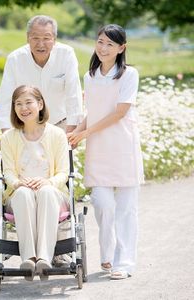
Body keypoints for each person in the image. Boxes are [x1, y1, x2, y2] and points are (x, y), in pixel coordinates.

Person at [67, 24, 144, 280]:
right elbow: (95, 112)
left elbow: (120, 112)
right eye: (100, 42)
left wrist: (86, 133)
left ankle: (124, 263)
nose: (103, 48)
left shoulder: (129, 75)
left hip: (123, 147)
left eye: (110, 44)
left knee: (125, 209)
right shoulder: (90, 76)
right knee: (102, 204)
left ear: (122, 48)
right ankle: (107, 255)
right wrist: (77, 132)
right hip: (98, 149)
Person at [0, 85, 70, 281]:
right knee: (23, 194)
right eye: (18, 104)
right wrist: (17, 184)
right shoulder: (8, 137)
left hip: (53, 192)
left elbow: (64, 172)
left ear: (40, 104)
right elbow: (8, 172)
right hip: (20, 193)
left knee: (46, 192)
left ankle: (44, 259)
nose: (24, 108)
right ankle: (29, 259)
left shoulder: (57, 134)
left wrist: (47, 181)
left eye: (28, 102)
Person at [0, 15, 83, 134]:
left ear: (55, 39)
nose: (41, 44)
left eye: (47, 38)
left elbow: (74, 94)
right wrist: (6, 133)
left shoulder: (66, 54)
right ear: (27, 38)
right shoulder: (15, 59)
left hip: (60, 125)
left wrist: (72, 131)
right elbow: (5, 99)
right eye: (35, 38)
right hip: (26, 127)